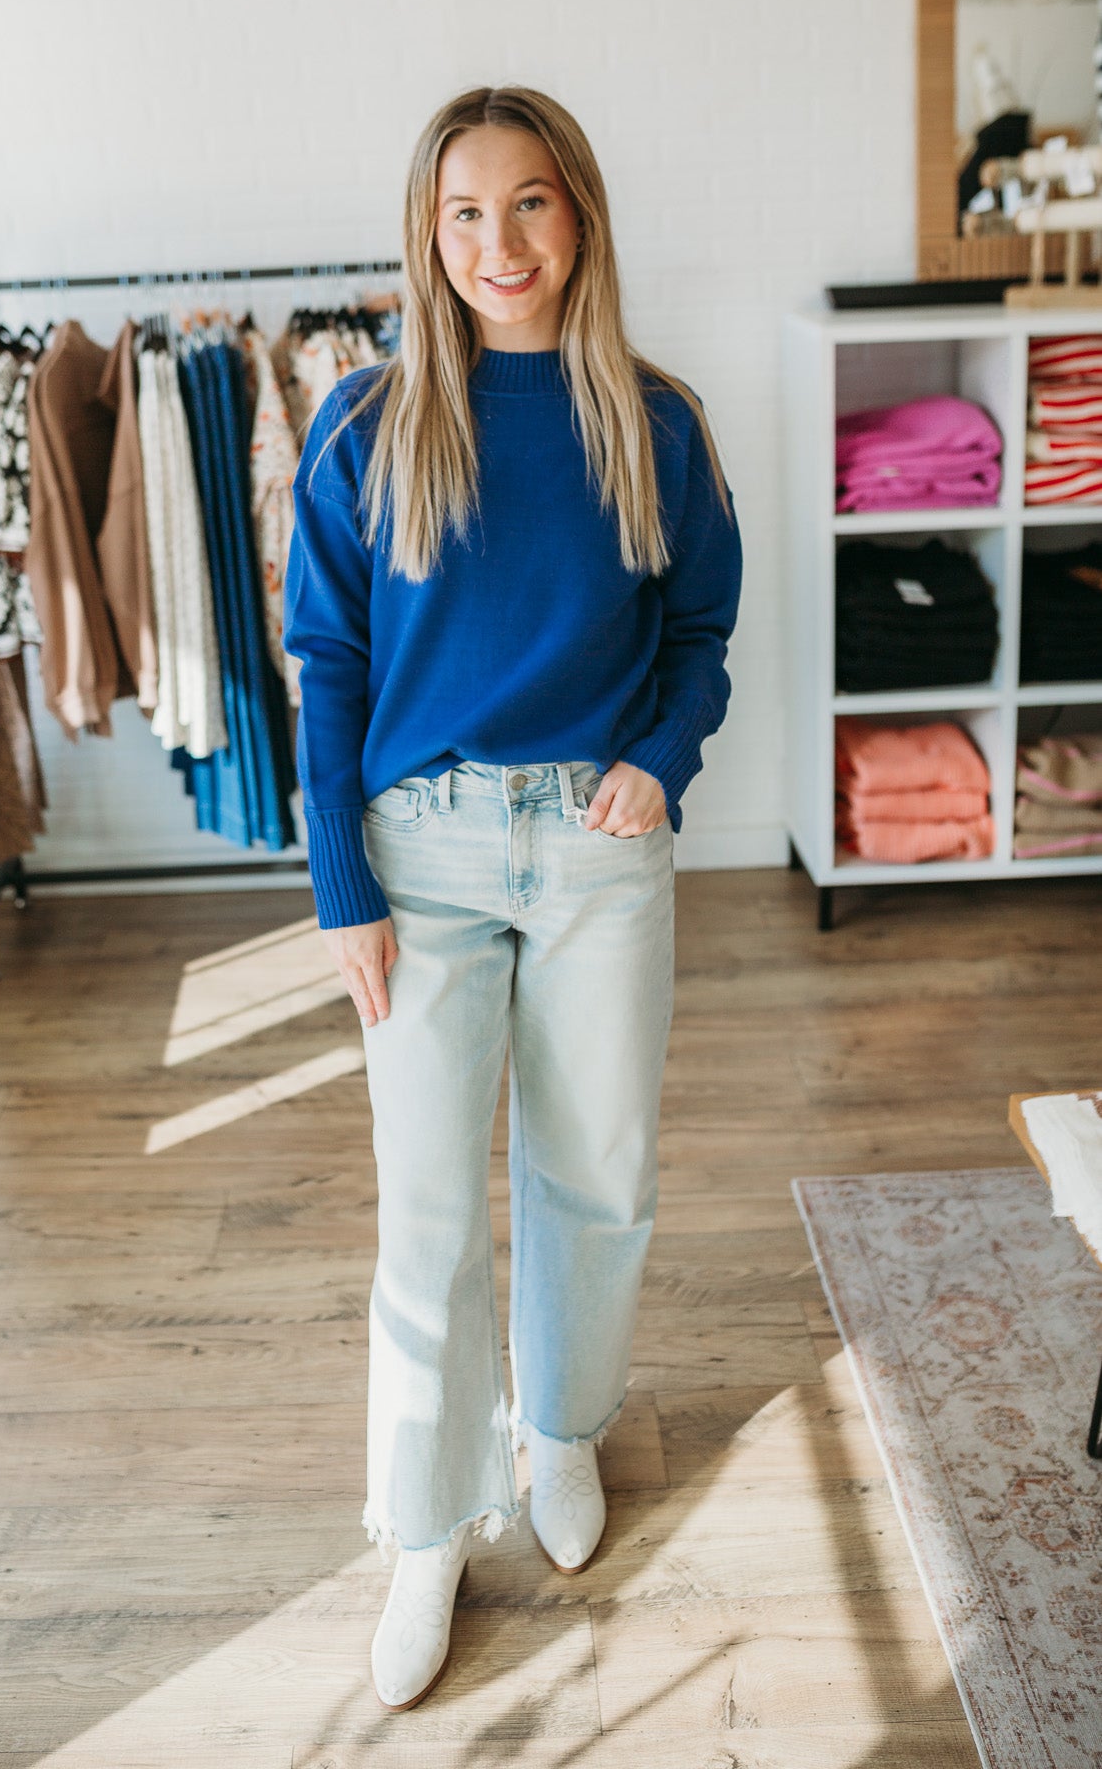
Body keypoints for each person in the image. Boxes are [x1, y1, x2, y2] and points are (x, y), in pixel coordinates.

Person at [281, 85, 742, 1710]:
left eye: (530, 205)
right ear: (426, 233)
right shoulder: (362, 425)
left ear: (582, 218)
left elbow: (698, 641)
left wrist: (658, 763)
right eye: (464, 213)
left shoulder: (655, 424)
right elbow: (327, 669)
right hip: (422, 856)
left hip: (600, 846)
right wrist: (341, 882)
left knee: (595, 1174)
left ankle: (557, 1430)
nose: (498, 244)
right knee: (428, 1209)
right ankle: (423, 1528)